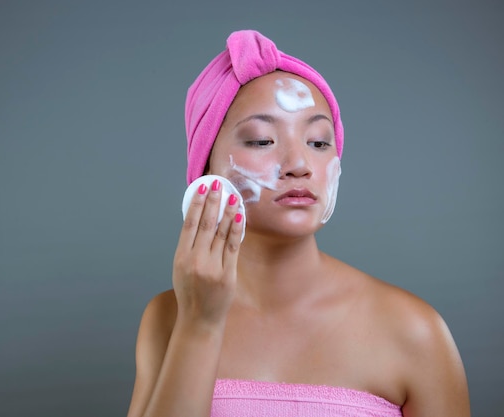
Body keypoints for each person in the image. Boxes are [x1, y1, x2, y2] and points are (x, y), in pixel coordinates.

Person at [126, 29, 470, 417]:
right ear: (205, 171)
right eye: (261, 140)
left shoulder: (415, 330)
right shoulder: (167, 318)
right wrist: (200, 325)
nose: (299, 165)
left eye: (319, 142)